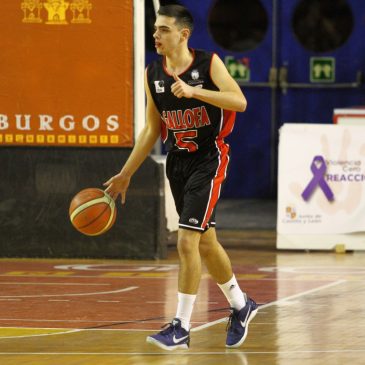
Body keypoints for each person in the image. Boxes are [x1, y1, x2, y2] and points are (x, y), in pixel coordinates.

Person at [104, 4, 258, 350]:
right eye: (155, 29)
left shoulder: (208, 64)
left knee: (187, 241)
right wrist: (126, 173)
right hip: (178, 162)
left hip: (209, 158)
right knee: (205, 241)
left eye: (162, 29)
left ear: (182, 34)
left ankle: (181, 327)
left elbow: (239, 101)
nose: (155, 35)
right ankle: (240, 304)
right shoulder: (152, 73)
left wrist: (194, 92)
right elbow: (151, 130)